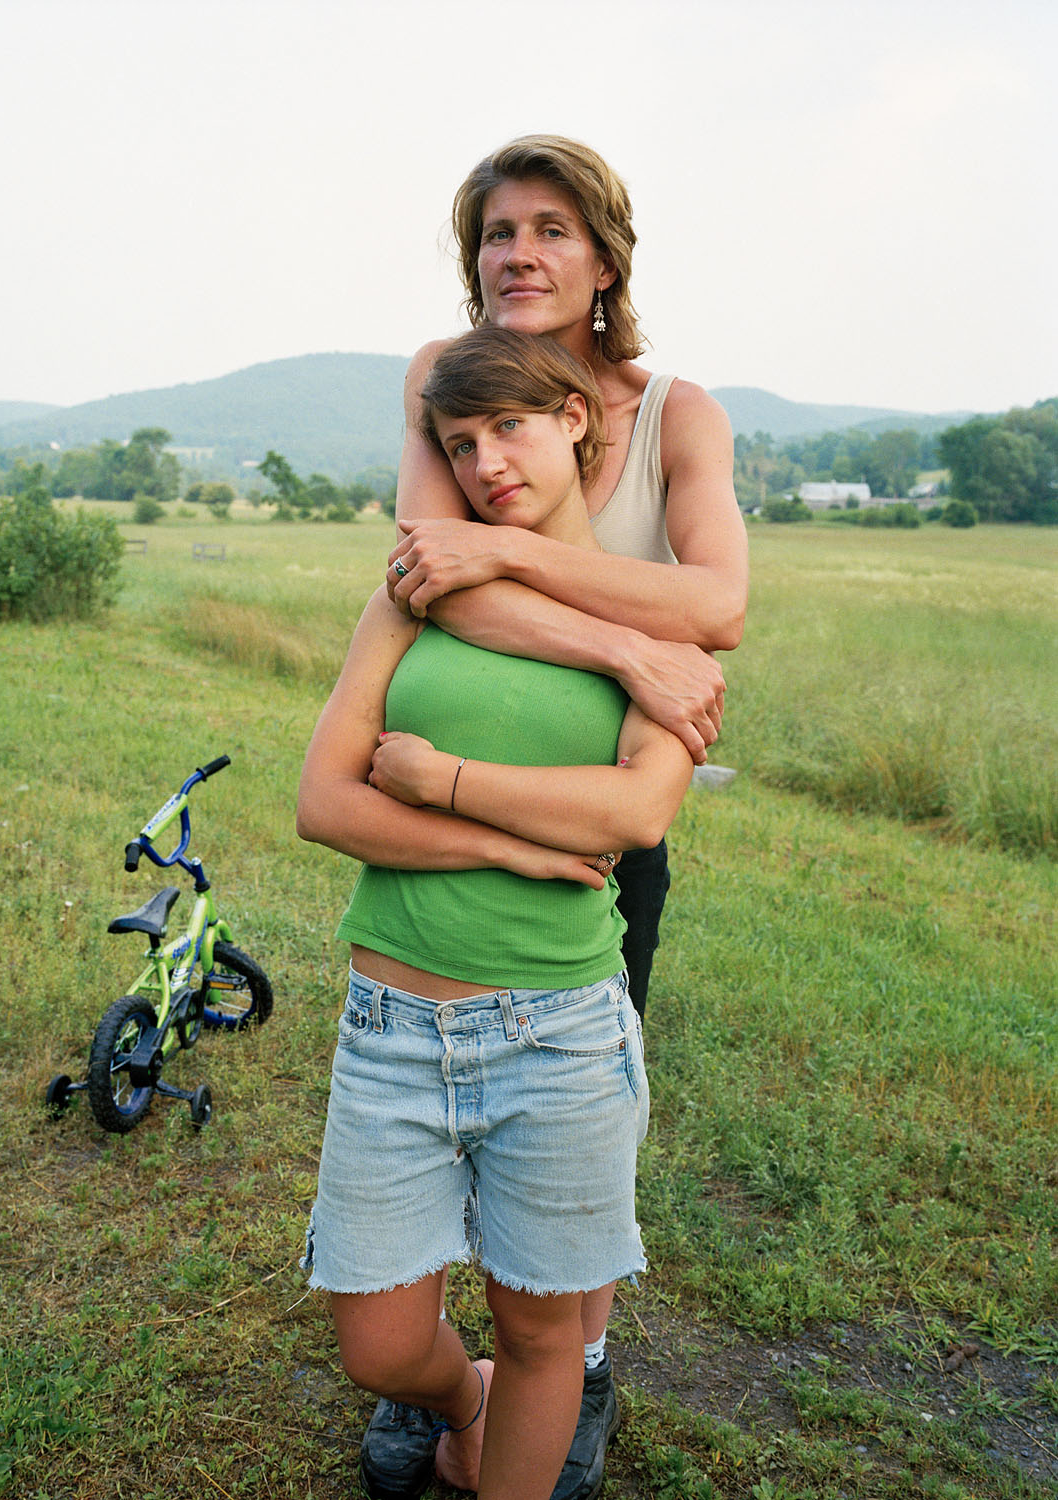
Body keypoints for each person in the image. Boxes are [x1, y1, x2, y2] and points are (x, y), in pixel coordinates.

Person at [368, 135, 749, 1500]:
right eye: (492, 233)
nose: (516, 254)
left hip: (598, 799)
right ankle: (467, 1371)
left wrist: (514, 552)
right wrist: (627, 643)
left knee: (580, 1089)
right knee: (432, 1076)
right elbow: (434, 583)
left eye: (548, 228)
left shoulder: (674, 413)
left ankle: (570, 1367)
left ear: (602, 257)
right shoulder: (445, 384)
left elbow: (718, 607)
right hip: (447, 772)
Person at [297, 327, 694, 1500]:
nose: (484, 465)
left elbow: (632, 809)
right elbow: (325, 802)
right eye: (459, 444)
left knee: (540, 1336)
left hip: (558, 1038)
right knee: (376, 1344)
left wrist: (441, 780)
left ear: (577, 421)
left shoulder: (654, 632)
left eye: (509, 429)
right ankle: (454, 1400)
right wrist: (505, 839)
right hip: (390, 1031)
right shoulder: (415, 595)